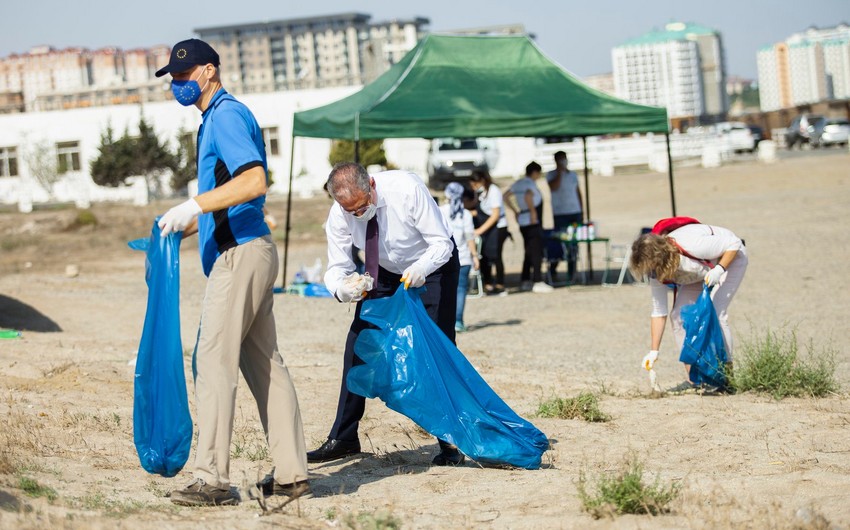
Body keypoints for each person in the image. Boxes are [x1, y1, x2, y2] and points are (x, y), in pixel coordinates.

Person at [154, 39, 309, 506]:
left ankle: (211, 479)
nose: (177, 85)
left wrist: (194, 204)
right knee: (264, 364)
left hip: (239, 255)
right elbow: (230, 191)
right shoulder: (216, 118)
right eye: (173, 79)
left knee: (212, 360)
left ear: (208, 71)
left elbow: (255, 180)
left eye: (183, 76)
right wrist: (187, 223)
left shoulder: (224, 115)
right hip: (250, 248)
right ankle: (291, 473)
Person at [310, 162, 465, 466]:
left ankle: (451, 440)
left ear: (371, 184)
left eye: (361, 206)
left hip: (432, 266)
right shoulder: (340, 213)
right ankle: (343, 437)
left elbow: (441, 243)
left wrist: (421, 268)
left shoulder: (407, 189)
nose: (357, 214)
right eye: (350, 210)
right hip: (380, 271)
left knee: (435, 350)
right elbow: (337, 266)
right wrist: (342, 289)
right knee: (358, 345)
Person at [629, 222, 748, 391]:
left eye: (653, 270)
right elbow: (659, 312)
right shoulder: (656, 273)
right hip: (699, 273)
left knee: (717, 313)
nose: (652, 275)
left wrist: (719, 269)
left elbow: (734, 243)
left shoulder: (691, 245)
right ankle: (696, 380)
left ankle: (728, 379)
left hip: (730, 260)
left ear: (661, 259)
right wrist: (654, 351)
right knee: (678, 316)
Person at [504, 163, 554, 294]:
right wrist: (532, 212)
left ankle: (525, 279)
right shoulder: (530, 184)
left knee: (528, 250)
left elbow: (506, 196)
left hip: (522, 218)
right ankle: (537, 280)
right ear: (535, 172)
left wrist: (515, 210)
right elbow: (528, 196)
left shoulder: (518, 183)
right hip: (532, 220)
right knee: (536, 251)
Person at [439, 183, 480, 332]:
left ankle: (444, 321)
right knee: (461, 290)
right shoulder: (466, 214)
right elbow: (470, 237)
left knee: (444, 290)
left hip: (443, 257)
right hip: (463, 257)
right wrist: (475, 256)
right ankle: (458, 321)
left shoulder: (440, 211)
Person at [469, 170, 509, 295]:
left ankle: (500, 283)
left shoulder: (494, 191)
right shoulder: (480, 192)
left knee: (496, 255)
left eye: (475, 184)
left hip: (498, 227)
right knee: (484, 256)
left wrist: (480, 230)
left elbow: (494, 215)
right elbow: (481, 211)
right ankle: (488, 283)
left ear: (482, 181)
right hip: (486, 227)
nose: (474, 187)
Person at [546, 151, 583, 282]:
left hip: (575, 212)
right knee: (560, 242)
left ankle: (572, 272)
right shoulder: (551, 175)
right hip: (560, 213)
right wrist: (560, 173)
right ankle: (552, 269)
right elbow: (553, 187)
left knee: (574, 244)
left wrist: (581, 210)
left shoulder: (573, 175)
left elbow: (578, 192)